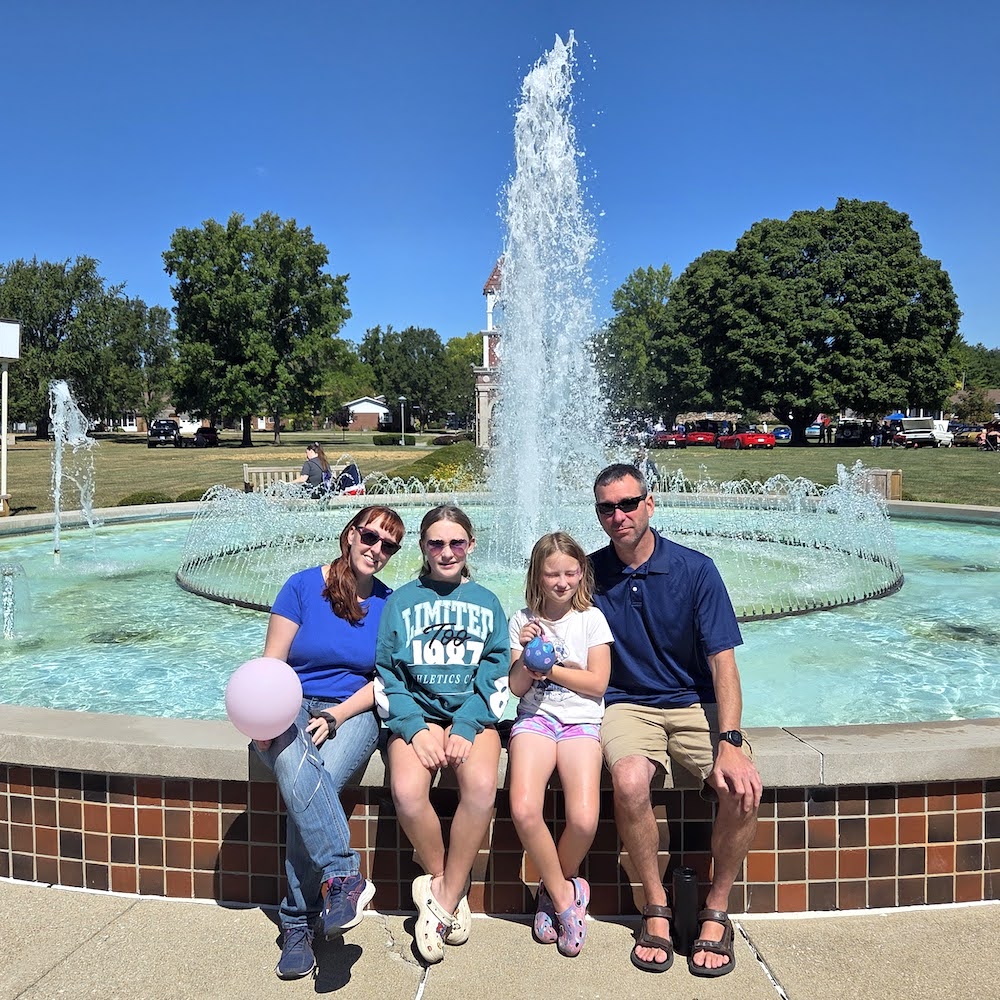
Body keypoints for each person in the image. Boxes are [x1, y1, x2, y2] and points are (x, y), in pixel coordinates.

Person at [589, 464, 762, 978]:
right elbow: (553, 618)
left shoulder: (695, 570)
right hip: (627, 703)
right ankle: (656, 908)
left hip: (694, 705)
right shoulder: (591, 574)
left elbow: (723, 661)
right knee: (628, 780)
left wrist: (729, 740)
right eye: (606, 508)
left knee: (740, 787)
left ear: (650, 504)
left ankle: (716, 910)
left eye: (628, 504)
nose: (618, 515)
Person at [252, 505, 406, 980]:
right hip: (290, 701)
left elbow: (381, 680)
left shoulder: (388, 603)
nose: (376, 549)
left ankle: (295, 922)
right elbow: (274, 664)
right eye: (370, 536)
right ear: (350, 533)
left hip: (354, 709)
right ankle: (342, 875)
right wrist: (269, 720)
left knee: (312, 783)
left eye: (389, 545)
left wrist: (336, 715)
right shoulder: (301, 586)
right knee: (306, 779)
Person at [374, 504, 510, 964]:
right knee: (409, 793)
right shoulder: (401, 602)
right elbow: (388, 674)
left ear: (470, 545)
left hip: (472, 716)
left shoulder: (487, 602)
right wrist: (415, 728)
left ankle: (443, 901)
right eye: (436, 543)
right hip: (417, 714)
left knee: (479, 790)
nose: (446, 551)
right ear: (423, 547)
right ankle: (442, 883)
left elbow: (496, 673)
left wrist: (467, 725)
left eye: (456, 542)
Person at [507, 532, 613, 958]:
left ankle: (552, 893)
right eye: (552, 573)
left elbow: (597, 683)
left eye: (571, 572)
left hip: (581, 722)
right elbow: (516, 688)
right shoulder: (521, 620)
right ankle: (569, 902)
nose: (562, 581)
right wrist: (528, 654)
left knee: (585, 819)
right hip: (535, 719)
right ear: (537, 575)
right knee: (524, 808)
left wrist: (551, 669)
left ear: (582, 573)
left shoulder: (591, 619)